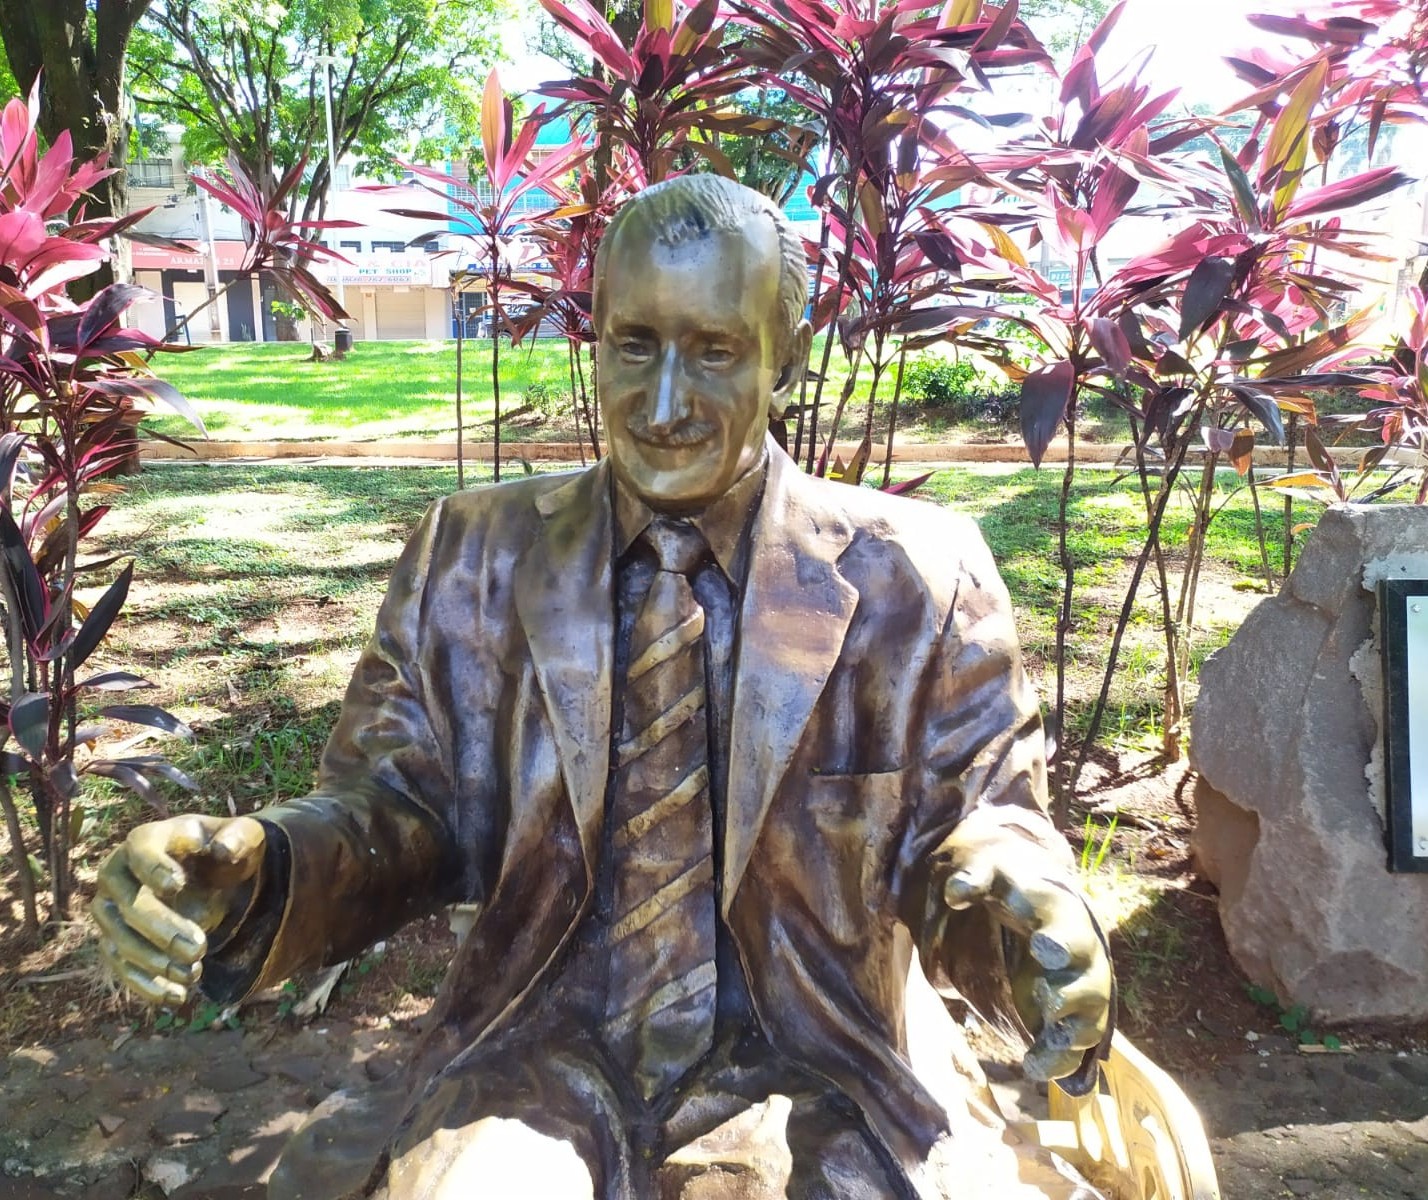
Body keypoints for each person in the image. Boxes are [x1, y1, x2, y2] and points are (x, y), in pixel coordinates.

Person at [92, 175, 1112, 1200]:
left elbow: (983, 831)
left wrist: (1039, 925)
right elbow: (399, 813)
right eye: (635, 345)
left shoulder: (920, 576)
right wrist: (260, 871)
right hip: (537, 1049)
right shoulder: (469, 559)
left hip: (822, 1065)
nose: (664, 406)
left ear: (786, 357)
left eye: (714, 352)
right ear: (596, 340)